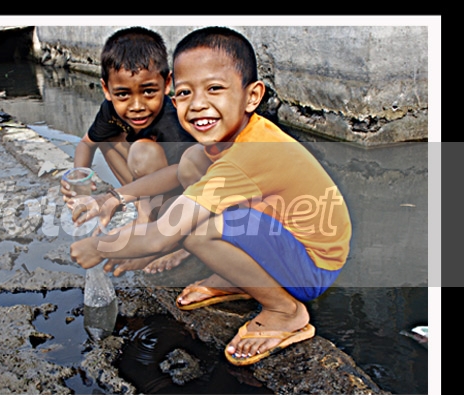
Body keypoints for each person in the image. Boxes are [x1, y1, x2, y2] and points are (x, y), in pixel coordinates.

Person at [70, 26, 352, 366]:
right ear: (174, 99)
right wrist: (116, 196)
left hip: (311, 267)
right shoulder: (235, 135)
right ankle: (239, 277)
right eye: (185, 93)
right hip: (284, 237)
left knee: (195, 231)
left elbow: (162, 234)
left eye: (215, 88)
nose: (198, 104)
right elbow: (177, 173)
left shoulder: (250, 153)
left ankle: (285, 311)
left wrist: (99, 246)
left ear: (252, 96)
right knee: (191, 161)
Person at [61, 26, 196, 276]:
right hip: (149, 188)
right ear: (106, 89)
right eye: (123, 94)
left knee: (143, 151)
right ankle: (146, 216)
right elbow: (87, 143)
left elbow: (183, 173)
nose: (137, 106)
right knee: (106, 137)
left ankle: (172, 238)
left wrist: (116, 197)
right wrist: (79, 177)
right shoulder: (110, 110)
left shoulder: (173, 122)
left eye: (148, 92)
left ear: (167, 84)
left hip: (185, 199)